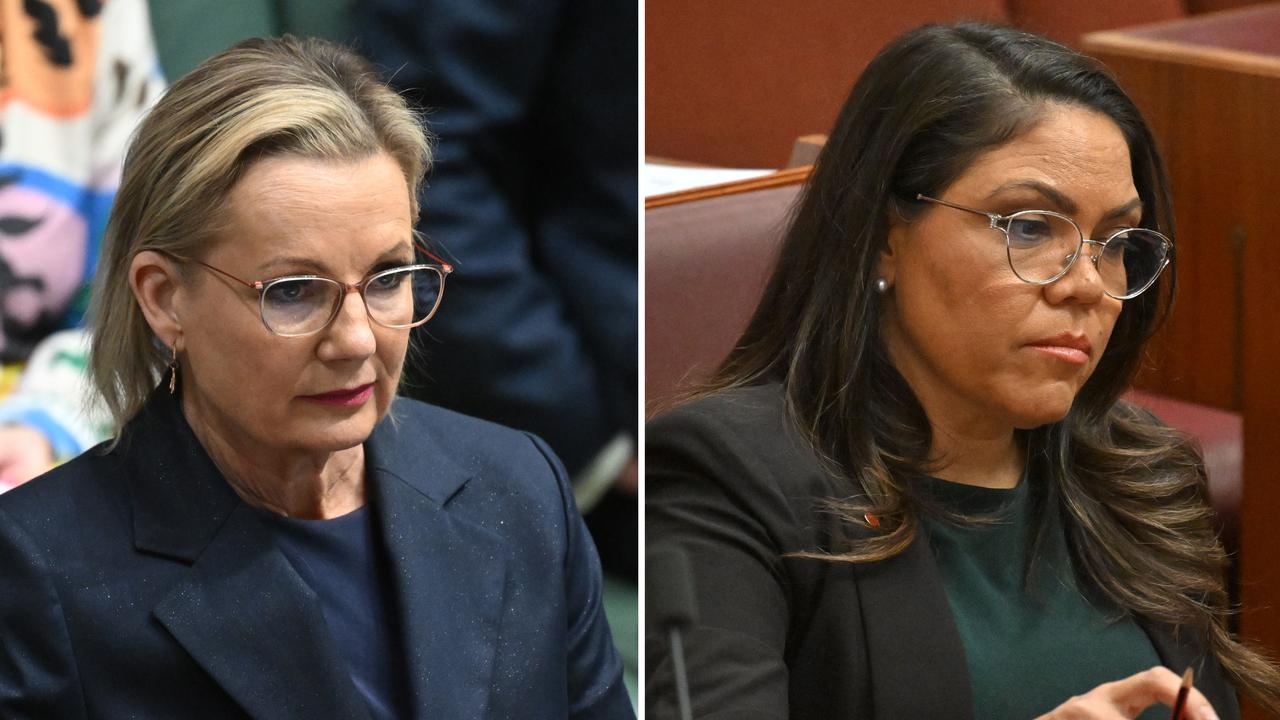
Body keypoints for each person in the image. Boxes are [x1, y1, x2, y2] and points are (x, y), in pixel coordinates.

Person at [645, 23, 1280, 720]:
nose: (1088, 285)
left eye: (1115, 242)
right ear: (883, 236)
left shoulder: (1143, 469)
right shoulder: (727, 480)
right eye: (1029, 227)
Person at [0, 36, 633, 719]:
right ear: (164, 298)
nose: (357, 340)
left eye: (388, 278)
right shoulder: (38, 573)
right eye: (294, 291)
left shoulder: (521, 488)